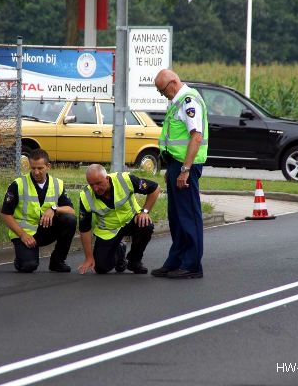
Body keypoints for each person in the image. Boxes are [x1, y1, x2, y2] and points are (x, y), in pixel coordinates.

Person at [152, 69, 208, 279]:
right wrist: (172, 169)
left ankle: (192, 264)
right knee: (176, 216)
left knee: (188, 216)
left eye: (162, 90)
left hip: (187, 166)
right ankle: (175, 260)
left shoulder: (188, 101)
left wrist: (185, 169)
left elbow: (196, 137)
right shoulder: (177, 101)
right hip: (177, 164)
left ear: (173, 82)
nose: (162, 94)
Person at [1, 148, 76, 273]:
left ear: (48, 166)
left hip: (45, 230)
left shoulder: (57, 184)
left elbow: (71, 210)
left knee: (70, 220)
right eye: (33, 168)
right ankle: (21, 259)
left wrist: (54, 209)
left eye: (40, 168)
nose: (36, 172)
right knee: (28, 266)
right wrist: (22, 235)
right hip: (25, 234)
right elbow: (5, 214)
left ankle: (57, 261)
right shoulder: (18, 184)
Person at [77, 164, 160, 275]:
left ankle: (134, 261)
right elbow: (85, 229)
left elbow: (154, 188)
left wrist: (144, 212)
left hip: (131, 221)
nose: (95, 188)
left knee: (146, 225)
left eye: (98, 183)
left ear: (107, 178)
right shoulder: (85, 196)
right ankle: (119, 252)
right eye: (91, 185)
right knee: (100, 268)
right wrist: (89, 257)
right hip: (108, 231)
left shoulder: (124, 179)